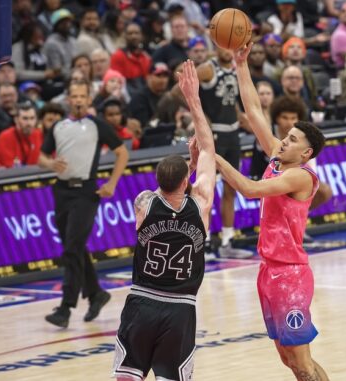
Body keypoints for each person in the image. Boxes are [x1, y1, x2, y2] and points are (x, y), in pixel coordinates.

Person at [220, 42, 329, 381]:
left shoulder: (299, 175)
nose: (284, 140)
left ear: (306, 152)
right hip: (269, 270)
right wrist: (241, 65)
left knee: (302, 362)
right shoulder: (279, 159)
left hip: (290, 274)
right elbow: (253, 111)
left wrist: (215, 156)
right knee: (290, 361)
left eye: (293, 139)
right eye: (287, 135)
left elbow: (250, 190)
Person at [112, 60, 215, 381]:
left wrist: (188, 166)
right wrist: (193, 99)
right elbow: (211, 147)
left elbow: (169, 186)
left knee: (127, 377)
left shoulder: (143, 202)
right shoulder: (200, 205)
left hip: (141, 302)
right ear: (187, 180)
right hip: (179, 308)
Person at [39, 79, 129, 328]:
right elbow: (41, 156)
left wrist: (111, 183)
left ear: (89, 100)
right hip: (62, 191)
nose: (78, 100)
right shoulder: (58, 126)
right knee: (75, 246)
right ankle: (96, 293)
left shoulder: (96, 125)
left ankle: (66, 308)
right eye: (74, 96)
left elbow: (122, 152)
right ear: (68, 100)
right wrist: (49, 164)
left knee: (72, 248)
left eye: (82, 96)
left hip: (87, 192)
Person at [195, 47, 253, 259]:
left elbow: (233, 102)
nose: (227, 50)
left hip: (233, 134)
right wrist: (199, 117)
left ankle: (228, 240)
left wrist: (247, 122)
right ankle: (205, 242)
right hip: (214, 136)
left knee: (231, 188)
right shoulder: (207, 69)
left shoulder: (238, 69)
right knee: (207, 190)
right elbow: (179, 88)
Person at [0, 102, 43, 168]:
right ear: (16, 120)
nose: (29, 123)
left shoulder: (39, 135)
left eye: (32, 118)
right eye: (25, 118)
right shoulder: (5, 137)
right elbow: (9, 168)